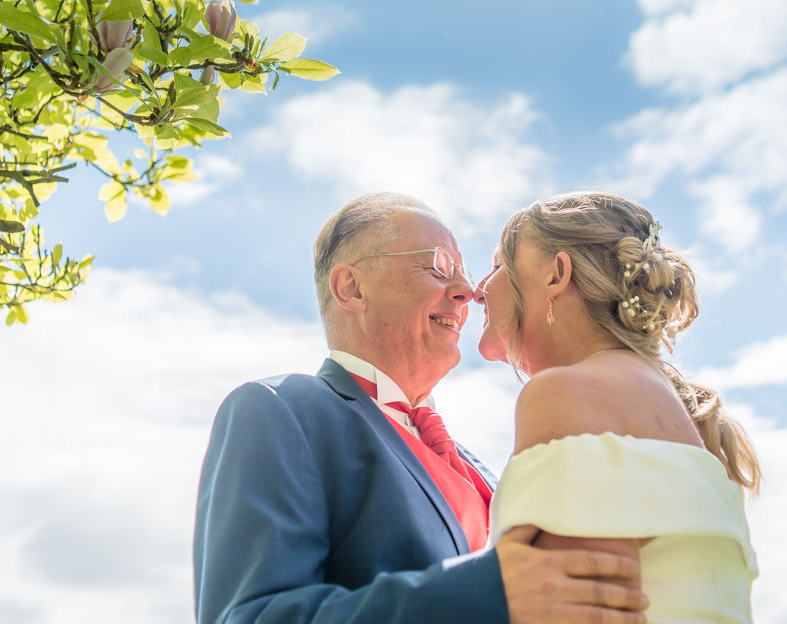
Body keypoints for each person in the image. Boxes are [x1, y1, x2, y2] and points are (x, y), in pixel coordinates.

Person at [193, 192, 649, 624]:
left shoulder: (483, 470)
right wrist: (484, 592)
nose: (468, 291)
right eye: (439, 267)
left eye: (465, 272)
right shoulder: (279, 412)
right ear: (351, 288)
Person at [475, 191, 760, 624]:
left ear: (557, 274)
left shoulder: (569, 394)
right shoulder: (680, 418)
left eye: (498, 266)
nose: (479, 290)